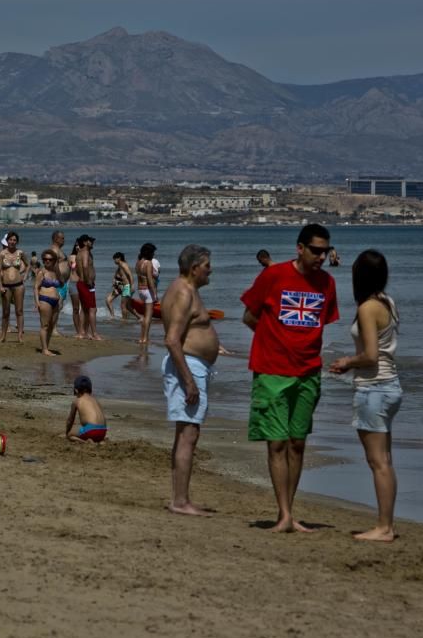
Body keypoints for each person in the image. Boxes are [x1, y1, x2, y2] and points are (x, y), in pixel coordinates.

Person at [241, 223, 339, 533]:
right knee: (277, 443)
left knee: (298, 443)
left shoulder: (327, 283)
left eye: (325, 251)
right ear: (300, 248)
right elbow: (249, 316)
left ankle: (289, 512)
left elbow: (320, 323)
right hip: (271, 370)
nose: (321, 257)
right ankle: (283, 514)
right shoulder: (273, 276)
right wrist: (273, 339)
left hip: (308, 372)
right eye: (315, 251)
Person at [329, 250, 402, 542]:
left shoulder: (367, 308)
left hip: (374, 387)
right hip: (390, 386)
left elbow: (371, 355)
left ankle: (384, 527)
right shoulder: (387, 302)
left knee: (378, 461)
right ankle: (387, 524)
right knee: (384, 459)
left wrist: (347, 362)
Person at [161, 245, 221, 516]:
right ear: (195, 268)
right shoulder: (184, 293)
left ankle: (179, 498)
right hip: (187, 368)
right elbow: (172, 340)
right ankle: (181, 501)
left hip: (192, 365)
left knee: (185, 434)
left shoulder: (185, 289)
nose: (211, 270)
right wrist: (189, 381)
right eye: (207, 266)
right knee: (189, 435)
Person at [0, 231, 27, 343]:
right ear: (7, 241)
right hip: (6, 286)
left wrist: (25, 275)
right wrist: (0, 285)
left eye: (14, 240)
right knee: (5, 312)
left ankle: (20, 336)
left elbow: (28, 265)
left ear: (17, 241)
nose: (12, 242)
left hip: (19, 285)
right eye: (10, 240)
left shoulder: (20, 253)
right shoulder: (2, 254)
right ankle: (3, 336)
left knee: (19, 311)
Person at [33, 248, 63, 356]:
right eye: (45, 259)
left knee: (51, 326)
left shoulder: (55, 272)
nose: (47, 261)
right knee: (44, 325)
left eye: (50, 259)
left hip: (56, 301)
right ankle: (44, 349)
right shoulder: (41, 272)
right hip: (45, 299)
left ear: (54, 260)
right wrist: (36, 302)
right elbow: (36, 287)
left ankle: (46, 347)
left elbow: (62, 284)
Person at [65, 375, 107, 443]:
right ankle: (99, 440)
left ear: (76, 390)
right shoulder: (95, 400)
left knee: (70, 435)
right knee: (90, 432)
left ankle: (85, 442)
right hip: (103, 431)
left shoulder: (77, 401)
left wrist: (67, 433)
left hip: (91, 431)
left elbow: (70, 420)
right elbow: (104, 418)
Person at [75, 234, 101, 340]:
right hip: (86, 284)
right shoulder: (85, 252)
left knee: (85, 309)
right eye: (90, 241)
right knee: (92, 309)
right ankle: (94, 334)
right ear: (85, 242)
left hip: (81, 283)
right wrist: (88, 281)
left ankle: (83, 332)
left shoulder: (80, 253)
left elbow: (77, 269)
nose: (92, 242)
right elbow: (85, 266)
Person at [135, 243, 159, 344]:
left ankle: (141, 337)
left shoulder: (138, 262)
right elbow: (149, 279)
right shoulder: (148, 263)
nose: (154, 254)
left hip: (140, 290)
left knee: (145, 316)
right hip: (148, 290)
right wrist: (155, 293)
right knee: (149, 316)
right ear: (149, 252)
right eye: (153, 252)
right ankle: (145, 338)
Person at [106, 252, 134, 319]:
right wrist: (114, 280)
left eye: (115, 259)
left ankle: (124, 320)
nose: (114, 261)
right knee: (108, 300)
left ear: (119, 258)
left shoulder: (124, 265)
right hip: (119, 286)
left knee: (123, 306)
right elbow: (117, 275)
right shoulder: (119, 266)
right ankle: (112, 316)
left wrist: (132, 286)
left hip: (126, 287)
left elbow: (130, 275)